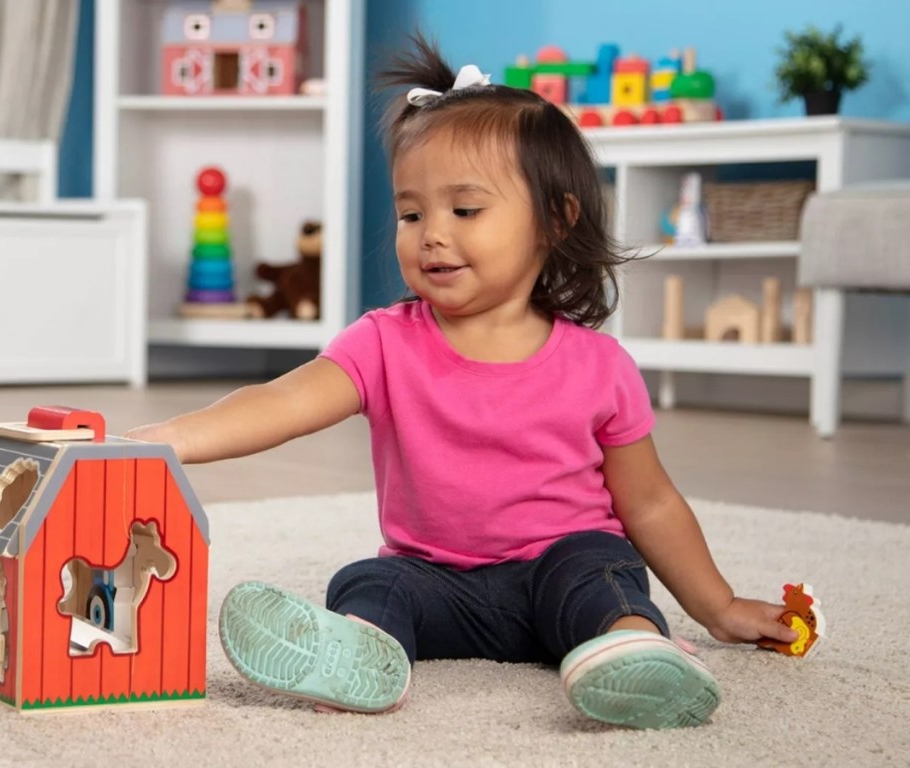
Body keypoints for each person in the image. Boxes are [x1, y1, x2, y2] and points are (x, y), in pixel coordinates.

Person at [126, 34, 797, 729]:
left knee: (605, 573)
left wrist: (717, 606)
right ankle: (362, 655)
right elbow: (284, 400)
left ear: (555, 220)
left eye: (465, 211)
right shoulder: (385, 342)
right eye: (412, 213)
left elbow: (651, 504)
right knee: (367, 580)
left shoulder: (600, 366)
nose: (431, 235)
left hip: (558, 569)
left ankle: (632, 650)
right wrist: (166, 440)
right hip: (435, 581)